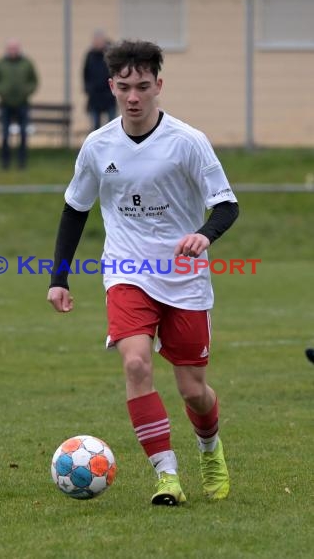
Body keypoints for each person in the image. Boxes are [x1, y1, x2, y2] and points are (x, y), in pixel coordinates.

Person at [48, 40, 239, 506]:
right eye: (125, 87)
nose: (133, 97)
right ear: (111, 86)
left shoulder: (187, 141)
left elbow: (227, 205)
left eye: (143, 86)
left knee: (193, 389)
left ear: (159, 85)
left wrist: (204, 235)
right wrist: (59, 276)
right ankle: (166, 476)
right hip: (126, 270)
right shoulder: (98, 146)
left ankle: (210, 449)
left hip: (184, 279)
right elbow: (76, 209)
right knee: (135, 363)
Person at [0, 39, 39, 169]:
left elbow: (34, 81)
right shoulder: (0, 63)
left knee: (23, 134)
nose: (13, 51)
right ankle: (5, 162)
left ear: (19, 49)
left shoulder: (27, 63)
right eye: (10, 48)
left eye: (15, 48)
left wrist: (26, 92)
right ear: (7, 50)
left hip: (23, 104)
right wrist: (2, 92)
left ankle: (22, 162)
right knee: (5, 134)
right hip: (5, 104)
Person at [83, 30, 116, 131]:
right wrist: (88, 88)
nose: (96, 43)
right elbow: (85, 73)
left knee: (112, 125)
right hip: (94, 97)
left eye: (98, 40)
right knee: (95, 127)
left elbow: (115, 72)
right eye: (95, 41)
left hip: (109, 96)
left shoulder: (111, 54)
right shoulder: (90, 55)